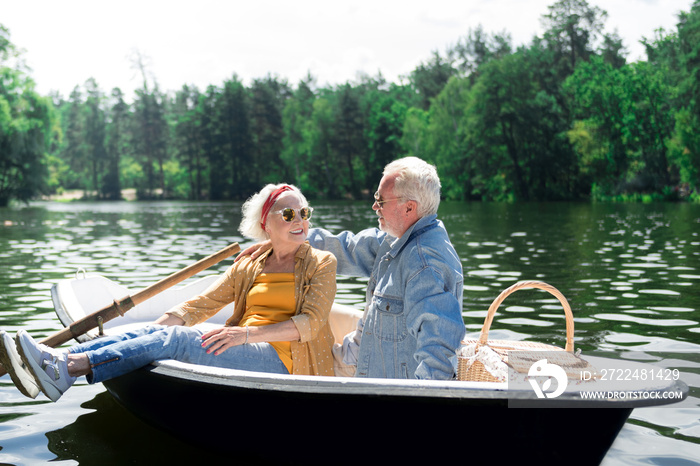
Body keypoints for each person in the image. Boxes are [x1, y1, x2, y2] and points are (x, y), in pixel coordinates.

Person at [1, 184, 337, 402]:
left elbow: (309, 323)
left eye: (304, 213)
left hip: (290, 362)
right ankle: (55, 361)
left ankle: (69, 368)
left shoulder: (321, 262)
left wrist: (243, 334)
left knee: (177, 340)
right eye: (290, 214)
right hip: (246, 343)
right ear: (266, 224)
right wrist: (155, 328)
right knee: (163, 331)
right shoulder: (251, 263)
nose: (301, 221)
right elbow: (204, 303)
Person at [239, 157, 465, 380]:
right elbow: (347, 247)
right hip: (358, 360)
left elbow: (440, 352)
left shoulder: (424, 264)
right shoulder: (397, 239)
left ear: (409, 208)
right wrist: (286, 240)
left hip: (377, 382)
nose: (374, 206)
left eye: (381, 200)